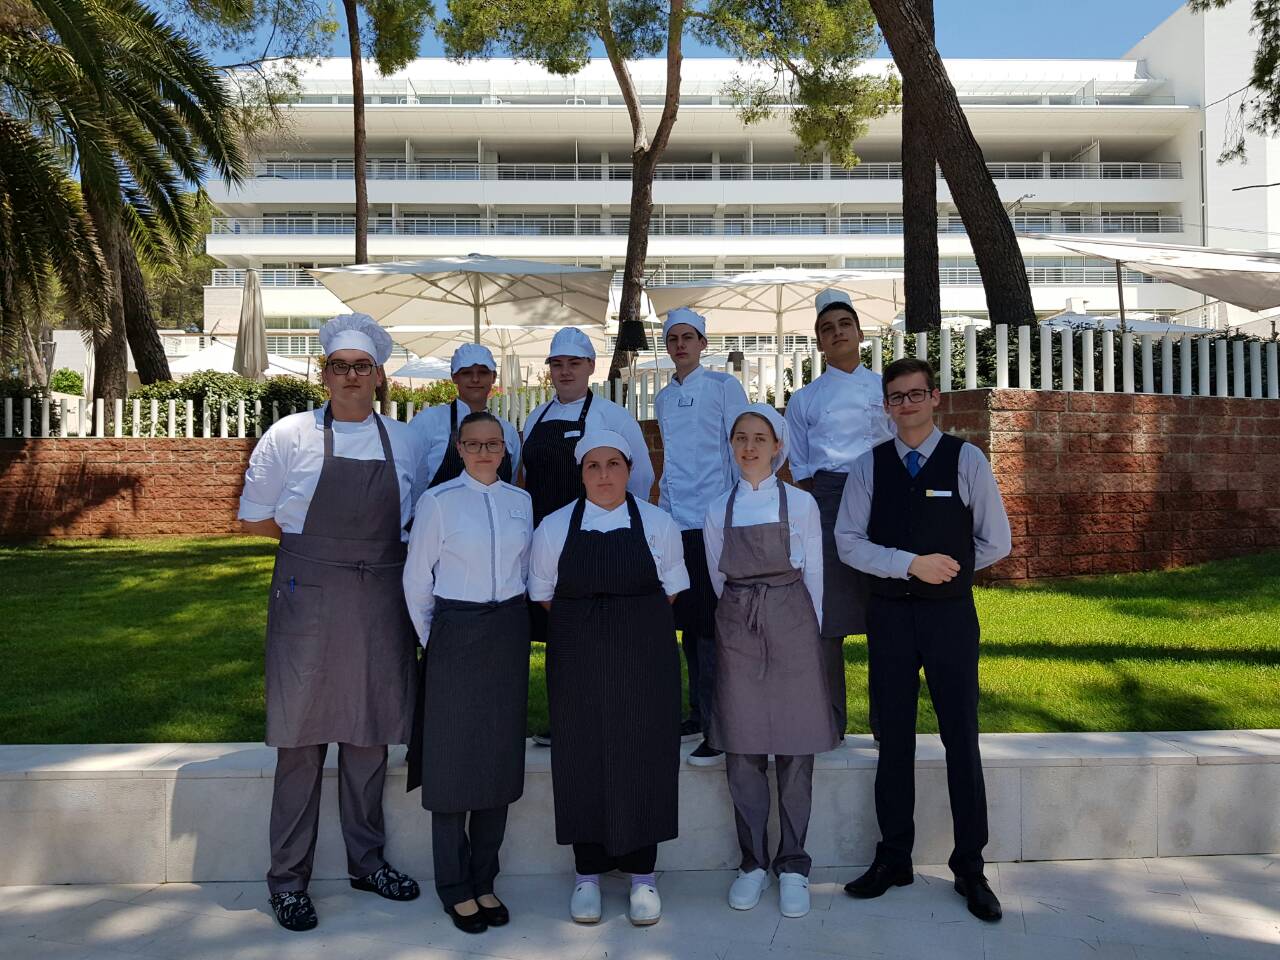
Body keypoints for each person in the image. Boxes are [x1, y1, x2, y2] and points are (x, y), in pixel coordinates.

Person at [238, 313, 421, 932]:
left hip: (380, 601)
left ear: (379, 375)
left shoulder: (407, 442)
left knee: (369, 736)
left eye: (361, 366)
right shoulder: (288, 435)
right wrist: (319, 557)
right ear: (324, 373)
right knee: (300, 740)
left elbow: (413, 519)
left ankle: (367, 863)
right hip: (308, 598)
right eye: (339, 366)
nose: (350, 376)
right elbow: (255, 518)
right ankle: (288, 880)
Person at [834, 357, 1011, 923]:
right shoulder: (869, 466)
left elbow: (996, 540)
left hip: (949, 618)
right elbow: (848, 542)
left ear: (935, 398)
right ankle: (894, 858)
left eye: (916, 394)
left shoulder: (967, 459)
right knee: (894, 740)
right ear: (886, 406)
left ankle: (970, 868)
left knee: (962, 737)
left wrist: (949, 571)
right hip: (889, 617)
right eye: (897, 397)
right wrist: (911, 564)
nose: (906, 404)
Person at [528, 430, 688, 927]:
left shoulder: (659, 524)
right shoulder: (554, 527)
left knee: (646, 750)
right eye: (593, 466)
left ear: (629, 471)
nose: (603, 475)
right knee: (580, 752)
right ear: (581, 474)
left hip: (645, 655)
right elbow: (545, 595)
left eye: (613, 464)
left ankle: (643, 875)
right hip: (576, 655)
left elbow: (670, 592)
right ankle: (587, 874)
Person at [703, 404, 837, 920]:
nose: (750, 446)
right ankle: (753, 862)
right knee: (743, 746)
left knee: (797, 747)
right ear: (731, 445)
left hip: (793, 621)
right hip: (738, 621)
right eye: (741, 437)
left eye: (760, 438)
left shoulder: (800, 504)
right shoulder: (718, 509)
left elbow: (815, 572)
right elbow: (719, 577)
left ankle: (794, 864)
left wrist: (807, 632)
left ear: (778, 446)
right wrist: (741, 619)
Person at [403, 411, 533, 934]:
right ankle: (455, 886)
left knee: (498, 759)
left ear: (505, 449)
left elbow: (524, 568)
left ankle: (485, 879)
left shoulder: (520, 501)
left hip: (507, 633)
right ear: (459, 448)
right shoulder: (437, 502)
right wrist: (438, 640)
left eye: (493, 444)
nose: (484, 452)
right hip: (456, 632)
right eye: (474, 444)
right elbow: (416, 580)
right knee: (453, 761)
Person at [521, 326, 653, 746]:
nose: (565, 372)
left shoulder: (613, 417)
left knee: (604, 634)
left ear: (591, 367)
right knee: (560, 636)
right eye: (557, 364)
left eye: (574, 364)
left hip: (597, 539)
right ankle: (566, 720)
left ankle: (613, 717)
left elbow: (642, 478)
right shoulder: (535, 417)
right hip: (548, 540)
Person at [783, 288, 895, 740]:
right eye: (827, 329)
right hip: (828, 500)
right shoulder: (804, 399)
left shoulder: (886, 389)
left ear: (860, 333)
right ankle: (830, 722)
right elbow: (801, 467)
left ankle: (887, 723)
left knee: (886, 613)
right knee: (827, 614)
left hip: (883, 498)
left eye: (845, 324)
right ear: (819, 342)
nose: (837, 333)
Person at [654, 307, 749, 766]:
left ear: (703, 343)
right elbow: (670, 461)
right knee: (689, 626)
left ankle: (718, 725)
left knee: (712, 628)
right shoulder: (663, 398)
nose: (680, 345)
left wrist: (738, 507)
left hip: (716, 518)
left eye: (688, 337)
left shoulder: (723, 387)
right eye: (673, 339)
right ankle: (696, 713)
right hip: (679, 522)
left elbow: (740, 448)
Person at [407, 342, 521, 496]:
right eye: (467, 373)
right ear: (454, 377)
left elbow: (510, 487)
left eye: (483, 372)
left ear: (493, 377)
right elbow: (412, 485)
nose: (475, 379)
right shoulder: (428, 422)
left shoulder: (508, 432)